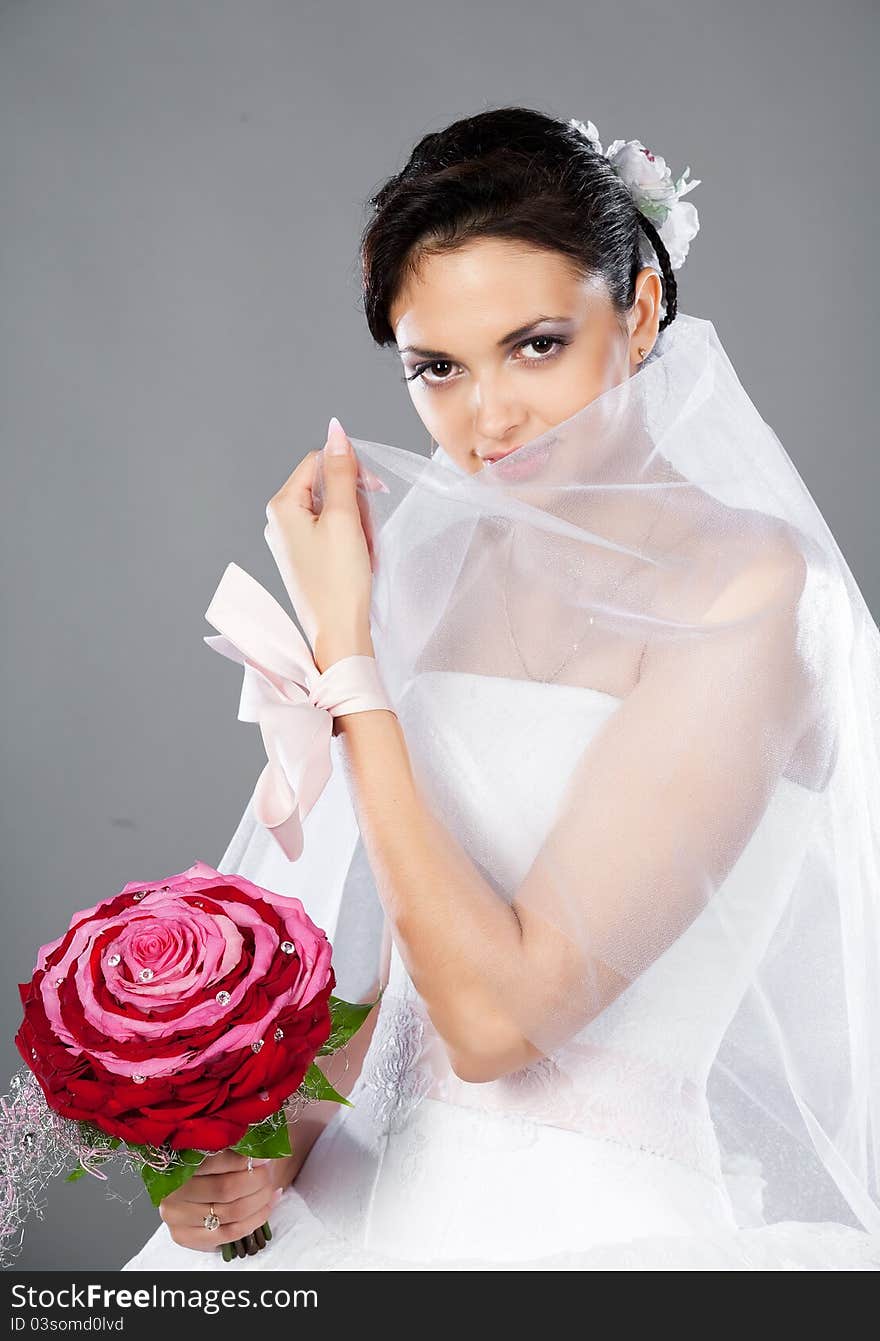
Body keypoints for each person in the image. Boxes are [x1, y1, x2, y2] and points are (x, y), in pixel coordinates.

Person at [122, 106, 880, 1270]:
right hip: (360, 1207)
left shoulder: (747, 588)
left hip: (590, 1231)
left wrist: (346, 656)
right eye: (437, 369)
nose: (489, 421)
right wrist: (263, 1157)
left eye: (536, 345)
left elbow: (494, 1022)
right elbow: (390, 1002)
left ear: (637, 310)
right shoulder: (433, 574)